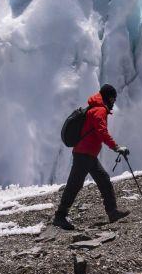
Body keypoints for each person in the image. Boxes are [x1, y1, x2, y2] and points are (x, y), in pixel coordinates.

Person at [52, 84, 131, 230]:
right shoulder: (99, 110)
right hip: (84, 154)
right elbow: (102, 131)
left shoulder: (95, 108)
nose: (114, 102)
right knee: (75, 184)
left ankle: (112, 212)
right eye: (113, 99)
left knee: (103, 179)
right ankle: (60, 216)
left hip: (87, 154)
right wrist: (116, 147)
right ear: (109, 98)